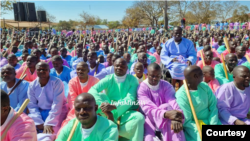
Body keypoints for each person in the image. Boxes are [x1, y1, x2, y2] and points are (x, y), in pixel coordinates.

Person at [88, 58, 145, 141]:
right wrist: (102, 105)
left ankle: (112, 127)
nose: (119, 68)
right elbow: (92, 90)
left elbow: (131, 98)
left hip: (126, 112)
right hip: (107, 112)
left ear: (127, 68)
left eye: (122, 66)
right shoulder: (108, 78)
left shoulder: (133, 80)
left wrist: (114, 106)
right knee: (100, 96)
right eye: (117, 66)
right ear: (113, 67)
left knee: (139, 118)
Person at [137, 63, 185, 141]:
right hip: (150, 119)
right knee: (149, 139)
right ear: (147, 74)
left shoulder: (166, 85)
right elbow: (148, 108)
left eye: (158, 76)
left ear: (161, 75)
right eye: (152, 76)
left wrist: (177, 116)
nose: (155, 78)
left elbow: (172, 101)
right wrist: (164, 114)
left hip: (169, 118)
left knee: (175, 127)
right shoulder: (142, 88)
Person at [175, 66, 221, 141]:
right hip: (194, 126)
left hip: (211, 120)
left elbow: (213, 107)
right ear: (196, 76)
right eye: (201, 73)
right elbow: (187, 121)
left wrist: (213, 124)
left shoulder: (204, 86)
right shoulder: (181, 95)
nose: (203, 75)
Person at [27, 62, 68, 140]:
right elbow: (32, 105)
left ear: (49, 70)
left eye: (45, 69)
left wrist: (49, 123)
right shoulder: (32, 85)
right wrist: (38, 121)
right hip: (40, 113)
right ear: (36, 71)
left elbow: (57, 104)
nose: (42, 71)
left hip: (57, 113)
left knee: (52, 133)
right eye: (39, 70)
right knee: (28, 130)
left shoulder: (57, 82)